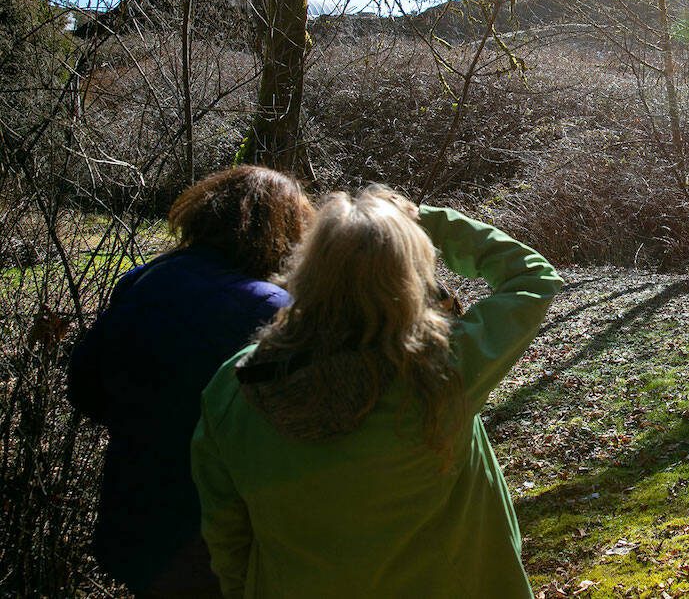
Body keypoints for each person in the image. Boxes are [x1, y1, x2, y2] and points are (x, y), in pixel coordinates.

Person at [191, 187, 563, 598]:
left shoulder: (237, 381)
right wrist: (425, 220)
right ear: (410, 276)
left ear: (305, 268)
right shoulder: (441, 370)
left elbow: (226, 533)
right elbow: (534, 277)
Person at [68, 166, 314, 598]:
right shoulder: (277, 311)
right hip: (215, 538)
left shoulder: (144, 280)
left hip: (135, 513)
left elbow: (84, 390)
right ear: (288, 235)